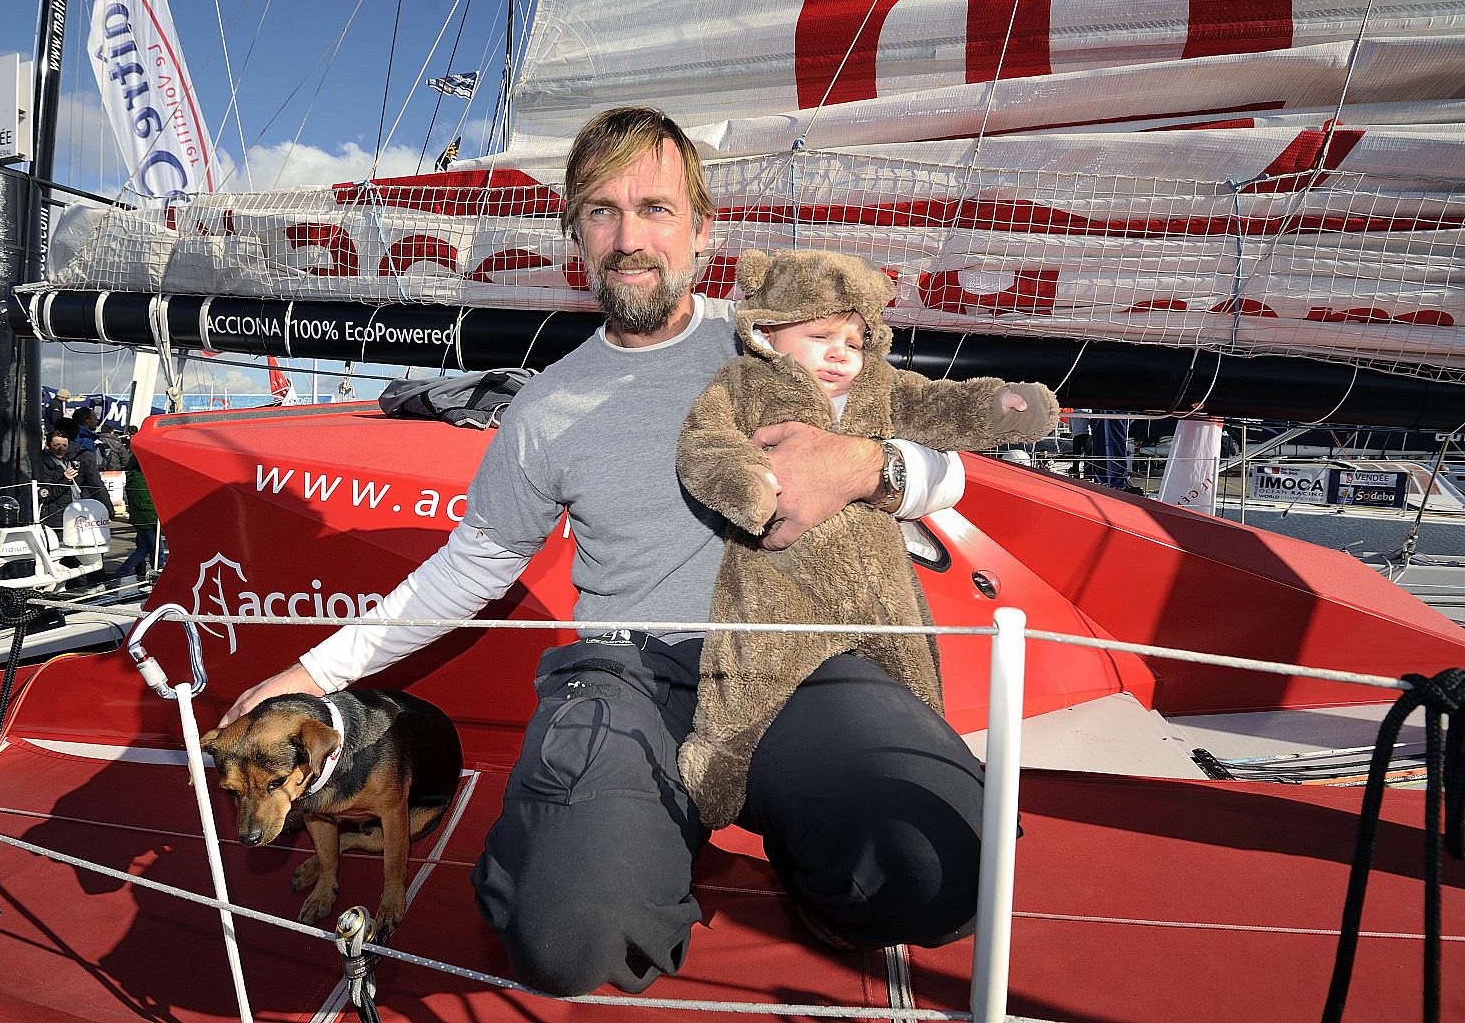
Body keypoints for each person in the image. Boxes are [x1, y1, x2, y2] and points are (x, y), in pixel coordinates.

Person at [221, 107, 987, 995]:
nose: (630, 238)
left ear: (704, 233)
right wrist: (313, 674)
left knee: (944, 865)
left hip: (798, 659)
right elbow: (471, 565)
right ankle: (635, 851)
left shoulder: (781, 348)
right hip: (631, 681)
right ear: (574, 235)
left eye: (657, 209)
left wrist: (864, 464)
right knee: (563, 937)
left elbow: (951, 472)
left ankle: (822, 880)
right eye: (601, 211)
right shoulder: (545, 406)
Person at [674, 248, 1057, 828]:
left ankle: (938, 776)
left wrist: (1002, 406)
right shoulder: (742, 384)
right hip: (778, 576)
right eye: (821, 336)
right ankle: (716, 770)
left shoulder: (881, 386)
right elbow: (703, 446)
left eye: (854, 342)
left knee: (915, 684)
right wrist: (749, 489)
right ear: (767, 333)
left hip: (879, 576)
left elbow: (938, 406)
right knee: (750, 676)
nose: (840, 354)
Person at [36, 420, 113, 529]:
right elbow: (45, 493)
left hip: (72, 512)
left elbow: (95, 484)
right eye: (57, 445)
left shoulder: (68, 461)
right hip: (55, 517)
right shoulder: (44, 463)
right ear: (48, 446)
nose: (61, 448)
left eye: (64, 445)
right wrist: (65, 479)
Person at [110, 427, 158, 582]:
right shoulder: (141, 477)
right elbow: (146, 500)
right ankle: (157, 575)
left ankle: (124, 572)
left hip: (142, 516)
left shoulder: (134, 476)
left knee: (144, 548)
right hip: (148, 517)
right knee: (156, 550)